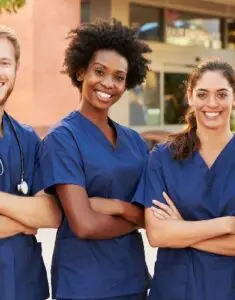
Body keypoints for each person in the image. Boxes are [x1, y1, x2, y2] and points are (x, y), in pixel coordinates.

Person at [36, 20, 151, 300]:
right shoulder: (63, 138)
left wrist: (114, 205)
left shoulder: (134, 141)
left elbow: (149, 215)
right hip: (84, 285)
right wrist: (133, 217)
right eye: (99, 71)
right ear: (80, 71)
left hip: (133, 282)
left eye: (119, 76)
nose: (108, 84)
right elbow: (84, 225)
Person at [133, 59, 235, 300]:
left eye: (221, 94)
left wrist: (183, 232)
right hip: (177, 290)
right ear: (190, 97)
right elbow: (158, 235)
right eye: (202, 94)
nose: (212, 104)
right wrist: (229, 224)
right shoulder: (162, 158)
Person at [0, 25, 62, 300]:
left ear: (16, 70)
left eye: (4, 63)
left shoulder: (27, 139)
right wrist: (26, 220)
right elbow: (36, 216)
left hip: (23, 287)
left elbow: (51, 214)